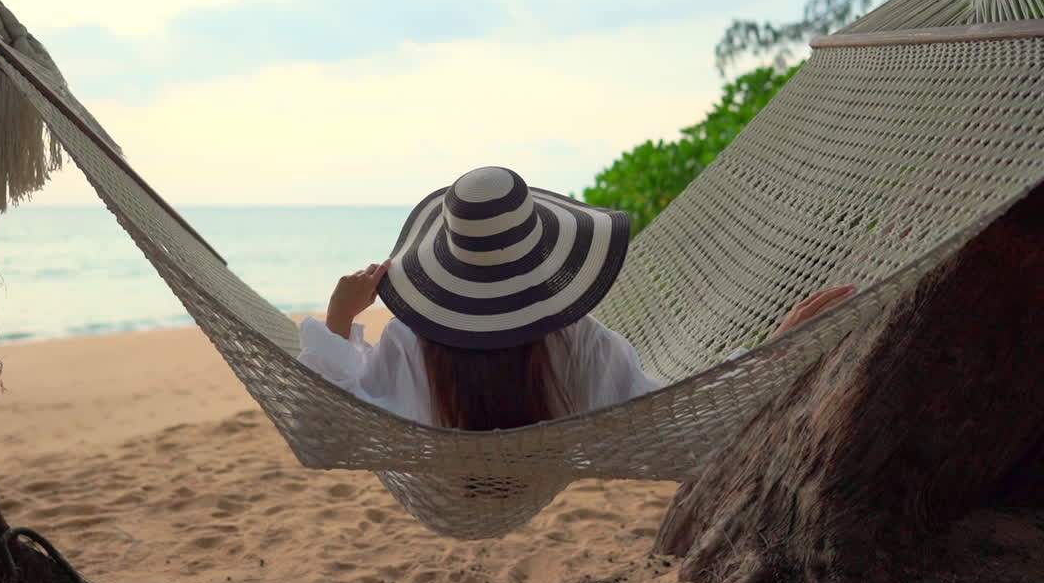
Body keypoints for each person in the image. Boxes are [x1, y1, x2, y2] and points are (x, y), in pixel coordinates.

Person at [298, 166, 855, 431]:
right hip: (540, 471)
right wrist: (775, 350)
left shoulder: (408, 342)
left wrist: (340, 318)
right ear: (542, 253)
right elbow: (673, 412)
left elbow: (330, 420)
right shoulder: (579, 343)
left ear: (447, 264)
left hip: (440, 482)